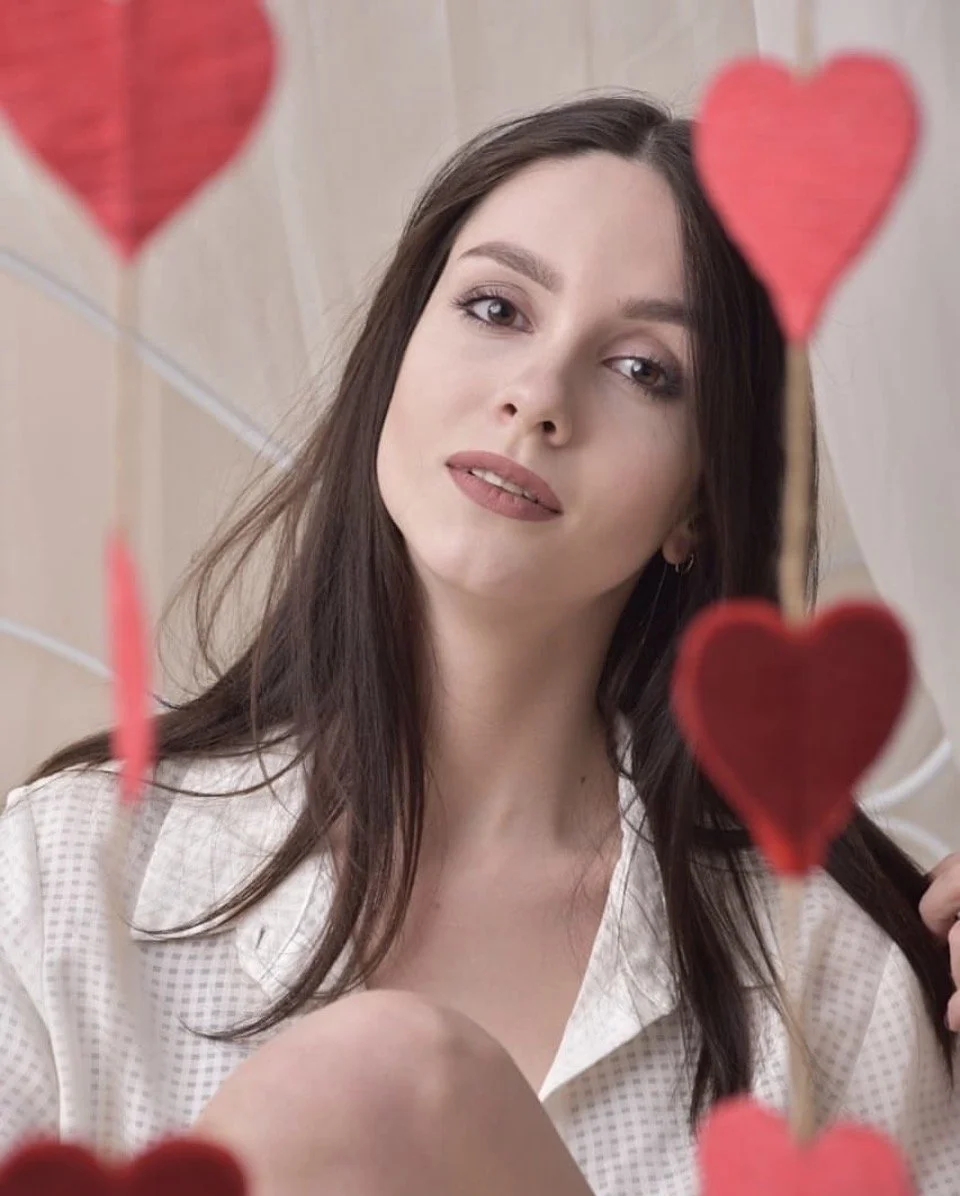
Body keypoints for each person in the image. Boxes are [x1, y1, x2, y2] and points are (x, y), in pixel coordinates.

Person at [0, 92, 957, 1195]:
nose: (537, 397)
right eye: (498, 308)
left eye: (645, 369)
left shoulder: (820, 979)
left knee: (384, 1078)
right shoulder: (73, 875)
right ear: (395, 365)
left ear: (699, 501)